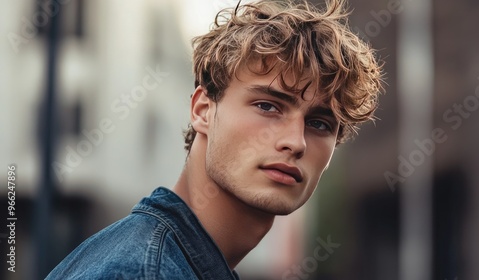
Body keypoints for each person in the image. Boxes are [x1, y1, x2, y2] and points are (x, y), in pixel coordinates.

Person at [46, 0, 383, 279]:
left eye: (320, 124)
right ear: (203, 110)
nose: (296, 142)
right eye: (268, 106)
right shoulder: (143, 271)